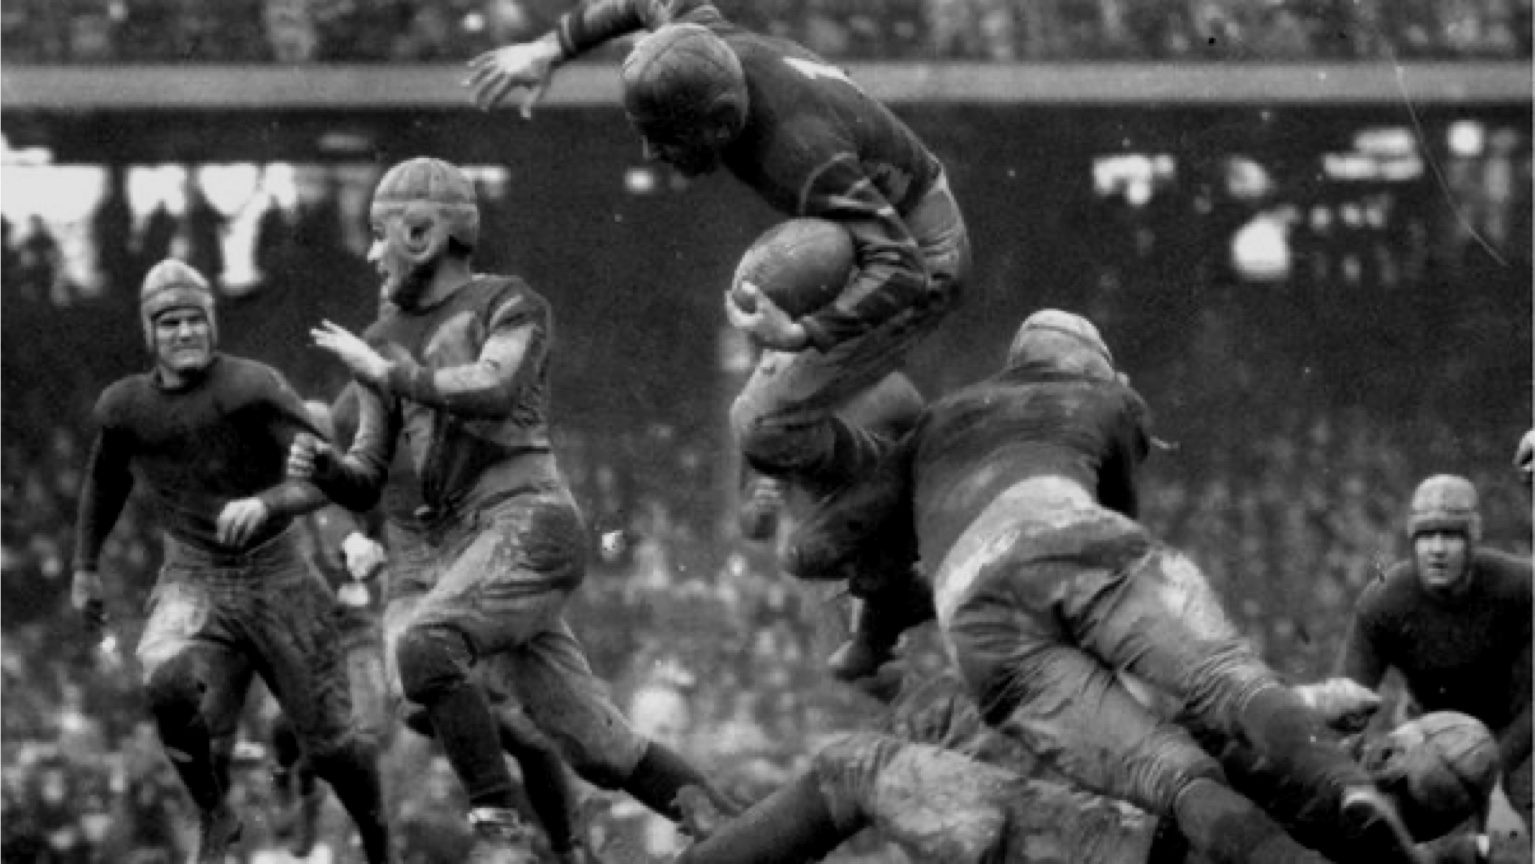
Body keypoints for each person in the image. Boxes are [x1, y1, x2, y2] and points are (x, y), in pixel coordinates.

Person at [783, 309, 1430, 863]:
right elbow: (1120, 519)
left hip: (975, 620)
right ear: (1088, 363)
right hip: (1075, 538)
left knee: (1167, 775)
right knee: (1227, 682)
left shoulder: (936, 423)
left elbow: (812, 550)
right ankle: (1347, 786)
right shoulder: (1105, 401)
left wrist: (880, 573)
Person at [467, 2, 970, 670]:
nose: (652, 153)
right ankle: (884, 576)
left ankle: (899, 505)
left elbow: (901, 266)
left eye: (666, 136)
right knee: (775, 421)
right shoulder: (702, 37)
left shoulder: (799, 152)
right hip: (872, 226)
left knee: (765, 426)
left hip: (921, 253)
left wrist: (805, 330)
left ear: (724, 120)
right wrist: (549, 49)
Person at [287, 156, 737, 862]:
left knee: (425, 645)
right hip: (462, 551)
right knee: (600, 750)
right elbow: (368, 470)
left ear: (421, 235)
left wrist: (390, 373)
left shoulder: (508, 303)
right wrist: (326, 469)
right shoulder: (378, 343)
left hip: (525, 524)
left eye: (379, 236)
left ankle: (498, 826)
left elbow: (493, 387)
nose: (371, 255)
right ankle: (745, 832)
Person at [69, 259, 390, 864]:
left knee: (332, 748)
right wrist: (85, 567)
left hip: (278, 573)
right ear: (150, 332)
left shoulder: (254, 386)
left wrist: (267, 503)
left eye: (194, 320)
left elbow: (327, 478)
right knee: (168, 682)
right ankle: (215, 813)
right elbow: (105, 480)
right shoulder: (125, 406)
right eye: (169, 323)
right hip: (195, 575)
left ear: (212, 324)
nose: (184, 332)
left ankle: (376, 839)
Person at [668, 662, 1498, 864]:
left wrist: (1304, 700)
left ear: (1393, 758)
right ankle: (745, 839)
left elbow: (1202, 739)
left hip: (1115, 841)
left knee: (856, 768)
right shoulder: (1389, 841)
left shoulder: (1332, 797)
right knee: (949, 710)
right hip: (1126, 826)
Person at [1337, 474, 1533, 834]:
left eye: (1451, 535)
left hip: (1517, 736)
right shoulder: (1384, 601)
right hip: (1428, 741)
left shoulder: (1519, 586)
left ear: (1472, 539)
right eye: (1426, 536)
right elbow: (1345, 706)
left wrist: (1497, 771)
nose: (1437, 549)